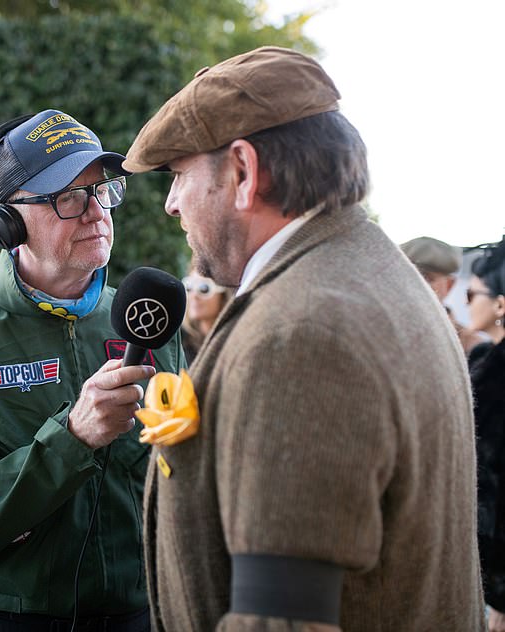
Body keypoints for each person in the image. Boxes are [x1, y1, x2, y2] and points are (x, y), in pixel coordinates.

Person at [123, 47, 485, 631]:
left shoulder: (301, 334)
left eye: (179, 175)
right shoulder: (367, 270)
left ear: (242, 171)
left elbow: (281, 622)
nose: (170, 204)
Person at [0, 109, 184, 632]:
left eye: (102, 190)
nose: (96, 212)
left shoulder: (148, 317)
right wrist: (73, 437)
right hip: (9, 620)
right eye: (68, 197)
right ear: (5, 219)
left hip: (142, 615)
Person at [466, 239, 505, 632]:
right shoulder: (481, 361)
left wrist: (501, 598)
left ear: (500, 305)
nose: (465, 302)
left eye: (471, 293)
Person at [401, 235, 483, 353]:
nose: (414, 285)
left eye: (426, 278)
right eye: (408, 277)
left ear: (449, 285)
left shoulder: (471, 346)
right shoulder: (384, 329)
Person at [180, 266, 234, 364]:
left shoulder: (233, 341)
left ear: (223, 295)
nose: (194, 295)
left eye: (204, 288)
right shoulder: (180, 341)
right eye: (189, 287)